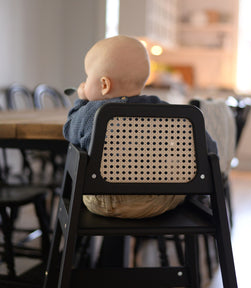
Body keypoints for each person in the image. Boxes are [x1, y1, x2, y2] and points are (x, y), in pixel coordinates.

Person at [63, 35, 217, 219]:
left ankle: (82, 246)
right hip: (160, 200)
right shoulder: (168, 112)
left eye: (87, 77)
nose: (84, 83)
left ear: (104, 84)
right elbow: (207, 149)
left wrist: (82, 101)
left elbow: (69, 129)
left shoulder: (91, 113)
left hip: (106, 201)